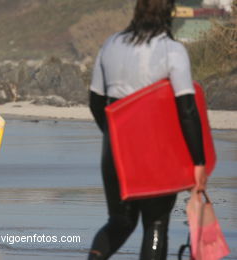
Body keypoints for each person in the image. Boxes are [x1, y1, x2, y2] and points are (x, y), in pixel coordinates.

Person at [88, 0, 207, 259]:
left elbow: (96, 101)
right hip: (156, 152)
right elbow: (187, 109)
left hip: (115, 150)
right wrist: (198, 161)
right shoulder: (171, 50)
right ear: (169, 12)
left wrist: (115, 138)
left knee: (120, 221)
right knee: (155, 224)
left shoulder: (111, 44)